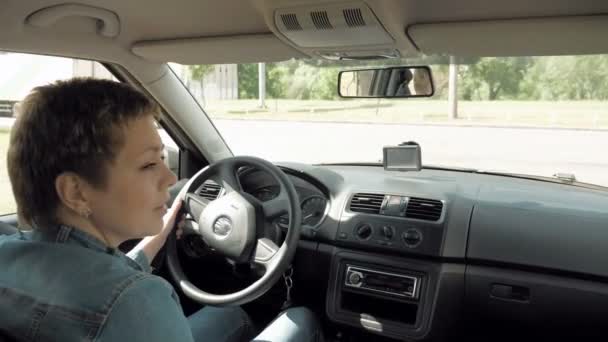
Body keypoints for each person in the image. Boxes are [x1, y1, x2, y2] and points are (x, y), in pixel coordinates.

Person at [0, 78, 323, 341]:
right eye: (149, 164)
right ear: (76, 192)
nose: (170, 178)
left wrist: (162, 230)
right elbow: (117, 296)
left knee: (230, 313)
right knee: (300, 321)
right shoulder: (137, 302)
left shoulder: (7, 253)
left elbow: (99, 277)